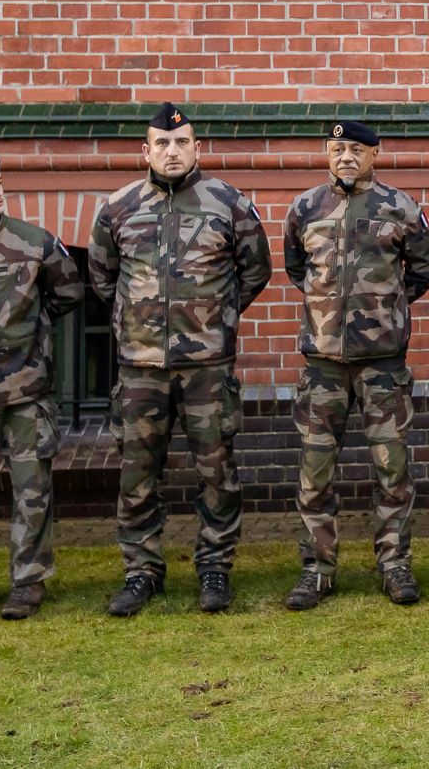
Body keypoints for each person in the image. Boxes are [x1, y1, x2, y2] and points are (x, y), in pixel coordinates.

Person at [89, 103, 272, 615]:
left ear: (197, 147)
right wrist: (140, 321)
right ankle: (142, 572)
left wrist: (213, 318)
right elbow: (103, 277)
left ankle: (214, 567)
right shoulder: (119, 207)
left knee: (217, 474)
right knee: (137, 476)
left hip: (207, 369)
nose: (173, 152)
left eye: (182, 142)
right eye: (163, 144)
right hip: (140, 369)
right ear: (145, 151)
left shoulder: (228, 203)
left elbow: (255, 271)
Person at [281, 120, 429, 609]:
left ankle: (394, 565)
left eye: (355, 149)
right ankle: (318, 569)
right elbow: (296, 268)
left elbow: (424, 270)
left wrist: (385, 311)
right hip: (323, 364)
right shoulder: (306, 208)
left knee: (392, 470)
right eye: (337, 149)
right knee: (315, 473)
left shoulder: (400, 207)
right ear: (327, 154)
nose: (346, 157)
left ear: (375, 153)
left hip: (383, 365)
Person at [0, 146, 83, 620]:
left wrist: (32, 333)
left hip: (25, 388)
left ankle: (27, 582)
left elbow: (68, 291)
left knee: (31, 488)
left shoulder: (33, 242)